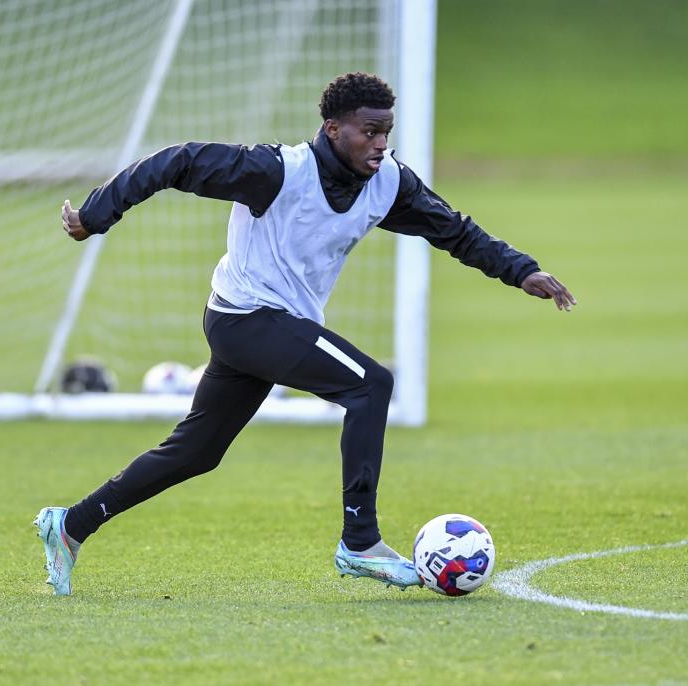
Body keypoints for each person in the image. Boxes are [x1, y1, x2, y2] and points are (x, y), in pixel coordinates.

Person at [34, 72, 575, 597]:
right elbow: (176, 161)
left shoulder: (389, 182)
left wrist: (519, 269)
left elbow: (453, 229)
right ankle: (359, 541)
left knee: (195, 453)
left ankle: (69, 526)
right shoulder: (274, 171)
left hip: (270, 327)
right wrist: (96, 214)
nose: (381, 143)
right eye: (370, 131)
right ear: (334, 128)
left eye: (387, 131)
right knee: (371, 385)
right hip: (244, 317)